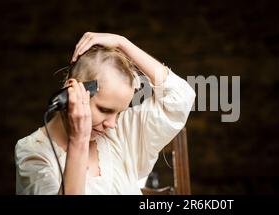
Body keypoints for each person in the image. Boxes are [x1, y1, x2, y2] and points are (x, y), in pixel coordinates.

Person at [15, 32, 196, 194]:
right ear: (73, 91)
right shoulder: (33, 153)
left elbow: (181, 98)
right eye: (105, 110)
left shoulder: (120, 132)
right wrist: (79, 141)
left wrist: (123, 43)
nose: (112, 123)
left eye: (118, 113)